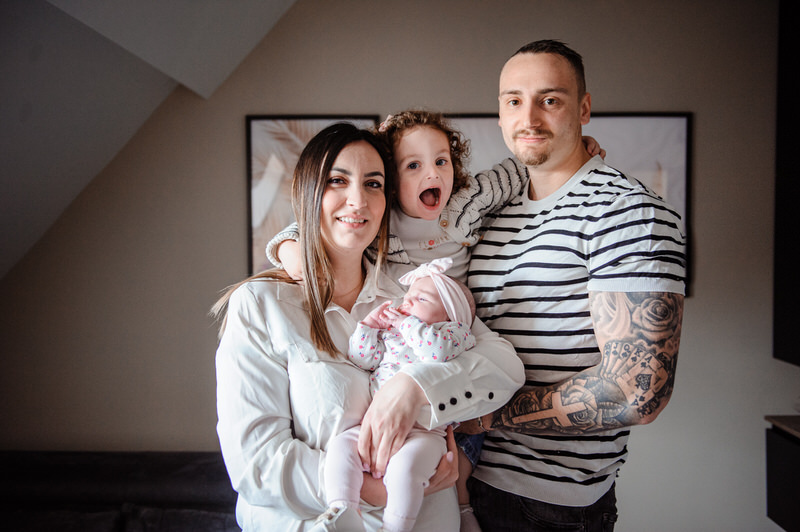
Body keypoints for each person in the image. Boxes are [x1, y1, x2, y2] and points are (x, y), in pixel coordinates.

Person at [267, 110, 603, 532]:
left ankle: (461, 508)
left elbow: (514, 172)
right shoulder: (382, 226)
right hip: (408, 335)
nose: (432, 173)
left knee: (459, 455)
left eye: (441, 161)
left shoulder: (463, 206)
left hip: (451, 322)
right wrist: (290, 252)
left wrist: (572, 150)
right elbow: (316, 219)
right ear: (392, 184)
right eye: (413, 165)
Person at [212, 122, 525, 532]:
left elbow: (505, 368)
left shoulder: (411, 295)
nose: (358, 200)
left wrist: (413, 389)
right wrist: (378, 491)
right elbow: (256, 466)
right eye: (337, 180)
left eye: (373, 184)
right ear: (307, 192)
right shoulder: (261, 306)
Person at [459, 40, 686, 531]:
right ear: (499, 112)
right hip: (456, 483)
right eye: (514, 100)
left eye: (550, 99)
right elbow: (391, 230)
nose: (529, 118)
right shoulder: (491, 210)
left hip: (547, 507)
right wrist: (293, 241)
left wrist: (486, 415)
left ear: (583, 109)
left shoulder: (626, 211)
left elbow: (636, 392)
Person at [316, 258, 476, 532]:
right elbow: (363, 360)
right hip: (376, 426)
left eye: (421, 298)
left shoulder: (453, 333)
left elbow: (435, 352)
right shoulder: (394, 335)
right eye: (408, 295)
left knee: (406, 470)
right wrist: (368, 327)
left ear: (451, 314)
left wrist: (406, 325)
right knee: (341, 448)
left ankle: (394, 527)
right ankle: (343, 508)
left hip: (425, 433)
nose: (408, 301)